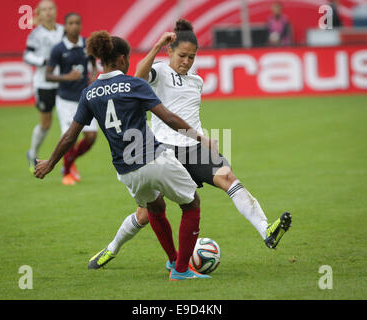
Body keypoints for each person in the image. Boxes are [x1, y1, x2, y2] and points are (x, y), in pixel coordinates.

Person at [98, 19, 292, 269]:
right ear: (170, 52)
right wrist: (157, 46)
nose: (186, 62)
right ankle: (112, 248)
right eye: (182, 55)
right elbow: (139, 76)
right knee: (146, 213)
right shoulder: (160, 72)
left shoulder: (196, 81)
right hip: (163, 151)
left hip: (195, 148)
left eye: (191, 57)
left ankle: (267, 231)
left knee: (229, 178)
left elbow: (189, 115)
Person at [34, 30, 218, 281]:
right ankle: (182, 270)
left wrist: (50, 163)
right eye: (128, 57)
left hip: (126, 171)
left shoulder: (90, 93)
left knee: (155, 207)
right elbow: (169, 118)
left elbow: (70, 136)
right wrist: (199, 137)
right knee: (191, 204)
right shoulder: (135, 84)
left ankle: (175, 260)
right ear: (121, 59)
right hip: (154, 158)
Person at [45, 12, 98, 185]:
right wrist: (66, 77)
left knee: (90, 137)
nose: (74, 26)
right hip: (66, 100)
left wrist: (93, 76)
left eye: (77, 23)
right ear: (65, 26)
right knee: (70, 137)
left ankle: (68, 161)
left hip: (84, 97)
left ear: (80, 25)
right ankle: (67, 173)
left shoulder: (86, 44)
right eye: (71, 23)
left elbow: (94, 66)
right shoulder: (58, 49)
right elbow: (48, 75)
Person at [24, 0, 64, 173]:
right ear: (39, 14)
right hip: (44, 84)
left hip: (64, 82)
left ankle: (68, 164)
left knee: (68, 124)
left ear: (55, 11)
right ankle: (32, 152)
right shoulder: (35, 35)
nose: (48, 12)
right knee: (46, 124)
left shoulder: (64, 30)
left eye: (50, 9)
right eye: (44, 10)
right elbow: (27, 55)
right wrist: (43, 61)